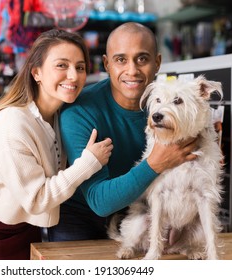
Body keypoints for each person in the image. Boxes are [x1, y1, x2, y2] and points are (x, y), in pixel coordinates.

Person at [0, 29, 113, 260]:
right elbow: (37, 199)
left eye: (80, 67)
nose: (74, 76)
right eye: (62, 65)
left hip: (27, 225)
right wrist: (89, 163)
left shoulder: (62, 114)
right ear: (36, 72)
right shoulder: (12, 125)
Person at [47, 22, 198, 242]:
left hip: (139, 213)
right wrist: (156, 163)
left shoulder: (172, 109)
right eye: (121, 60)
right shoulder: (79, 111)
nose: (132, 70)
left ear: (157, 63)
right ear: (107, 64)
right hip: (81, 218)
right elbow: (100, 202)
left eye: (142, 59)